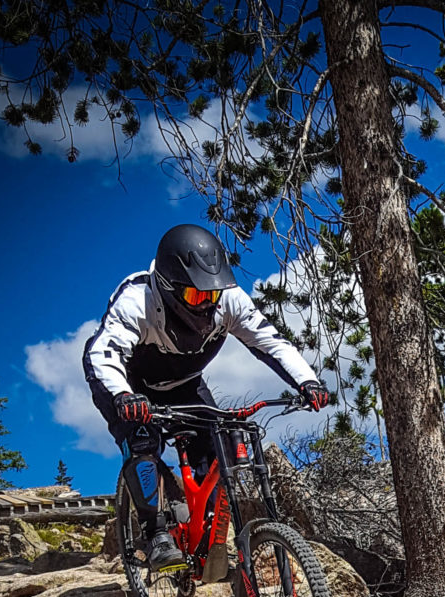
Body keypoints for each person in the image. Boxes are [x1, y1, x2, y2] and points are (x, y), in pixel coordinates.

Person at [83, 224, 330, 570]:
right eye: (197, 297)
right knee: (142, 443)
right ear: (170, 288)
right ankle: (155, 535)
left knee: (220, 442)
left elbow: (270, 342)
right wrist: (123, 394)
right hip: (128, 383)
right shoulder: (137, 300)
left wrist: (308, 381)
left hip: (184, 383)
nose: (206, 304)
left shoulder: (228, 298)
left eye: (211, 295)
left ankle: (207, 533)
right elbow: (102, 354)